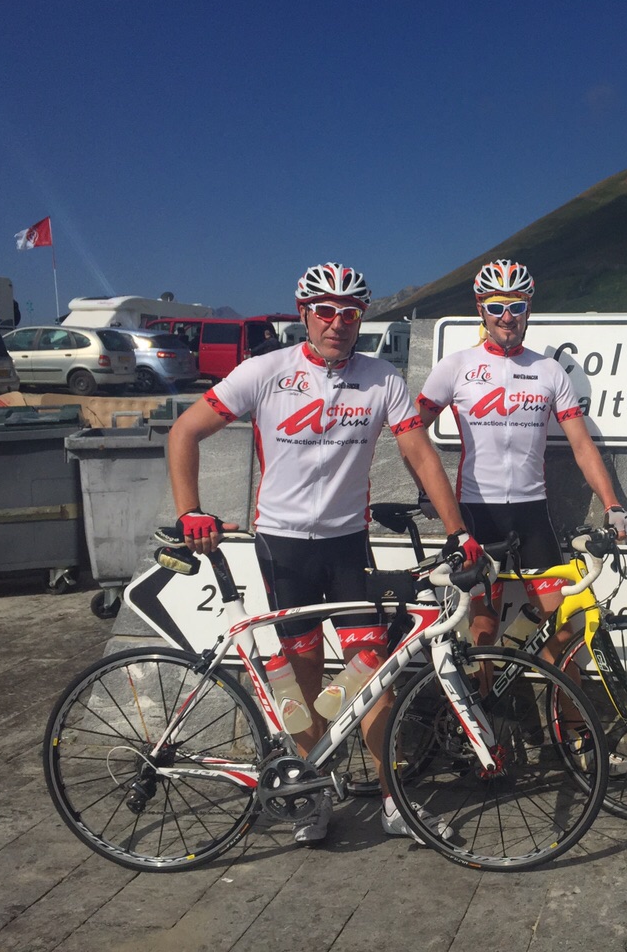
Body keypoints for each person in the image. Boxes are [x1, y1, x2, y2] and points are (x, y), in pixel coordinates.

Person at [167, 261, 480, 847]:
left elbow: (420, 455)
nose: (338, 323)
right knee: (302, 681)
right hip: (282, 548)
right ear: (305, 313)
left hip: (346, 548)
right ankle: (311, 796)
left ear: (362, 318)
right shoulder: (265, 372)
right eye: (326, 311)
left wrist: (459, 531)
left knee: (373, 681)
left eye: (351, 313)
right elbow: (183, 432)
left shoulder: (381, 378)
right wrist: (191, 511)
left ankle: (394, 803)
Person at [408, 259, 627, 751]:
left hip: (532, 515)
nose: (507, 316)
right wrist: (428, 489)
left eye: (516, 306)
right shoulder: (458, 367)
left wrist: (614, 504)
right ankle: (489, 737)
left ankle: (573, 732)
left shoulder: (549, 370)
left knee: (561, 624)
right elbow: (410, 431)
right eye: (497, 307)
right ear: (482, 310)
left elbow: (580, 445)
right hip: (477, 513)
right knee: (483, 630)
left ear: (528, 309)